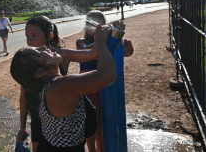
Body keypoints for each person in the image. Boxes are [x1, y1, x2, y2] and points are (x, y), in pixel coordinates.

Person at [11, 24, 117, 152]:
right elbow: (108, 75)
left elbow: (96, 53)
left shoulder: (49, 85)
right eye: (39, 52)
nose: (43, 47)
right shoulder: (61, 88)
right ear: (39, 72)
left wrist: (114, 34)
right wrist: (99, 41)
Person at [76, 10, 134, 152]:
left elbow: (126, 52)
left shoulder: (108, 41)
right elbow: (89, 51)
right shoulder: (82, 42)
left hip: (105, 88)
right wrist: (105, 40)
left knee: (102, 125)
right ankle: (92, 150)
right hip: (89, 89)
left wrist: (127, 46)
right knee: (91, 126)